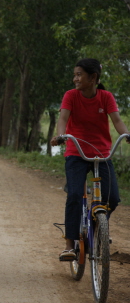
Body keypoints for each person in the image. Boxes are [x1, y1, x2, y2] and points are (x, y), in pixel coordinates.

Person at [50, 58, 130, 260]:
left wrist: (127, 135)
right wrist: (61, 136)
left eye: (79, 74)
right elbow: (63, 119)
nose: (75, 78)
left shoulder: (106, 97)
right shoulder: (71, 96)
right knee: (75, 195)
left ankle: (97, 227)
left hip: (102, 154)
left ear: (92, 78)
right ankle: (70, 244)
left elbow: (117, 121)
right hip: (76, 153)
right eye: (75, 74)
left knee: (112, 198)